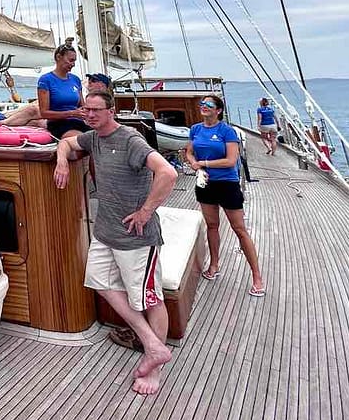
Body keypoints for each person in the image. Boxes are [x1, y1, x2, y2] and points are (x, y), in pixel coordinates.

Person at [54, 91, 177, 396]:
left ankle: (156, 367)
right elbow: (67, 142)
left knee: (149, 299)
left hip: (136, 239)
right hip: (106, 233)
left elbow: (168, 173)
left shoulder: (130, 140)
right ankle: (151, 343)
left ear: (111, 111)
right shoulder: (93, 138)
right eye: (87, 110)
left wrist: (146, 211)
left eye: (96, 110)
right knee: (98, 280)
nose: (90, 115)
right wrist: (63, 163)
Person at [186, 94, 265, 297]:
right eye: (202, 103)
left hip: (227, 184)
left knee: (239, 229)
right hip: (205, 184)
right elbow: (189, 152)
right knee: (212, 226)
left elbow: (230, 161)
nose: (203, 106)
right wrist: (193, 162)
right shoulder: (195, 129)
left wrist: (203, 163)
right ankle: (214, 265)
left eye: (209, 104)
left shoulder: (226, 131)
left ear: (218, 110)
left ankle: (257, 276)